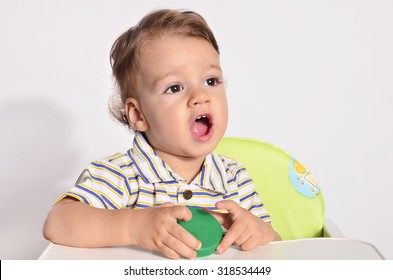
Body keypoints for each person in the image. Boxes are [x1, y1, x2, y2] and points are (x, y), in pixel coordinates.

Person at [43, 9, 281, 259]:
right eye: (175, 87)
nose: (201, 96)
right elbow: (57, 222)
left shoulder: (235, 179)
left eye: (211, 81)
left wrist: (260, 233)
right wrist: (134, 227)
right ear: (138, 114)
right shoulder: (122, 175)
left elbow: (278, 247)